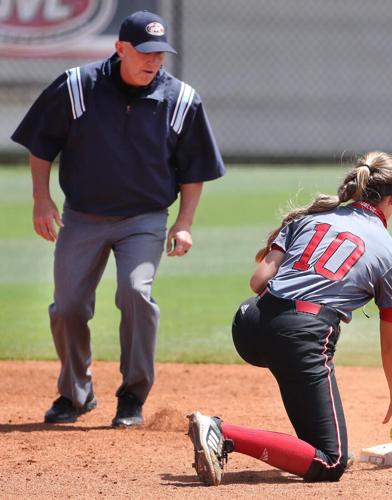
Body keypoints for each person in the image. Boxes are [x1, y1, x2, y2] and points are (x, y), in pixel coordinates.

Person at [10, 10, 225, 428]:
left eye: (160, 54)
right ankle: (75, 394)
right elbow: (41, 145)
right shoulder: (76, 87)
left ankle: (132, 397)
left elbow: (194, 170)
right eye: (145, 53)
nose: (154, 62)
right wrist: (42, 199)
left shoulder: (180, 99)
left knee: (135, 292)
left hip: (143, 218)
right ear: (120, 49)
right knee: (68, 307)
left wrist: (184, 223)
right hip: (83, 217)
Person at [187, 151, 392, 485]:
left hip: (249, 325)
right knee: (333, 461)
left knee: (314, 434)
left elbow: (257, 283)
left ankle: (309, 439)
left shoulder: (308, 219)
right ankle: (222, 434)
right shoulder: (391, 255)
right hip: (298, 337)